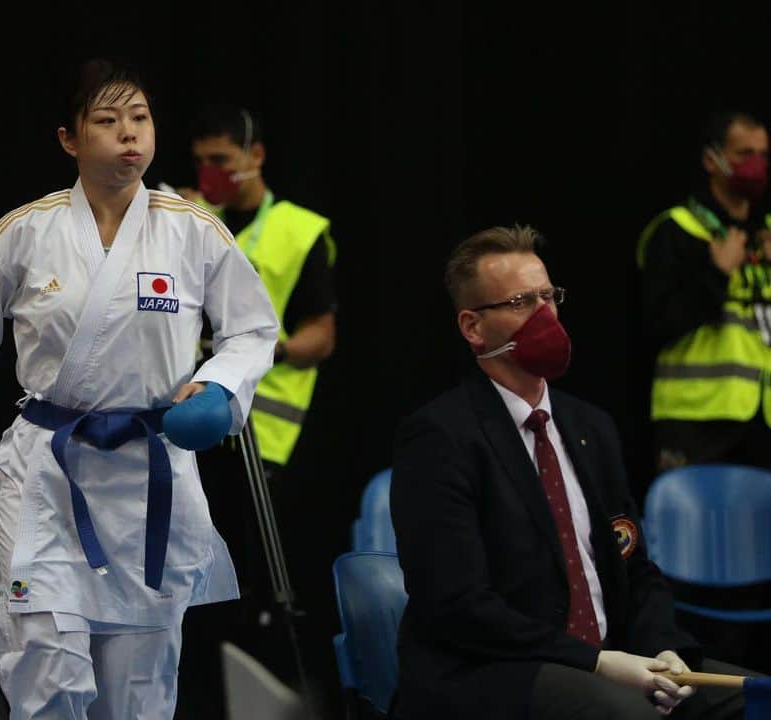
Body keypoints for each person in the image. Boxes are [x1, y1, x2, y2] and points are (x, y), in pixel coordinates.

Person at [0, 58, 278, 719]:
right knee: (41, 663)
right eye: (107, 121)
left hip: (148, 478)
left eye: (140, 118)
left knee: (139, 692)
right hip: (46, 471)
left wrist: (217, 388)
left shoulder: (190, 229)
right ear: (69, 139)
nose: (129, 134)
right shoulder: (25, 232)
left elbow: (253, 329)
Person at [390, 225, 751, 720]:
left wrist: (666, 650)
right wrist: (598, 663)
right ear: (473, 327)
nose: (545, 315)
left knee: (756, 700)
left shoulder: (589, 427)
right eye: (521, 302)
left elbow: (634, 567)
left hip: (614, 659)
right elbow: (456, 604)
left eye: (548, 296)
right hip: (491, 672)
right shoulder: (439, 437)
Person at [172, 104, 337, 718]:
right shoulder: (187, 220)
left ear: (255, 156)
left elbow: (323, 334)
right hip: (185, 432)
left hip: (264, 438)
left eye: (221, 160)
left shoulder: (299, 230)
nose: (210, 172)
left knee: (259, 588)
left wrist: (260, 348)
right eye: (201, 161)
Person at [637, 111, 771, 474]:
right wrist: (716, 274)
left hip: (762, 420)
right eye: (745, 154)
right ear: (712, 159)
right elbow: (656, 325)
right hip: (695, 419)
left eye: (763, 155)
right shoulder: (677, 230)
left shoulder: (766, 233)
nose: (757, 165)